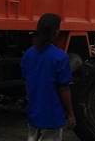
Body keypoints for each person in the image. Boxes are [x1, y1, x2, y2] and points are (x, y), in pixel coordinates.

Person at [20, 13, 76, 141]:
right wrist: (71, 114)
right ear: (55, 32)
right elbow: (64, 89)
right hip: (52, 116)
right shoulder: (60, 57)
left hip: (34, 115)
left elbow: (27, 82)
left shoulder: (28, 55)